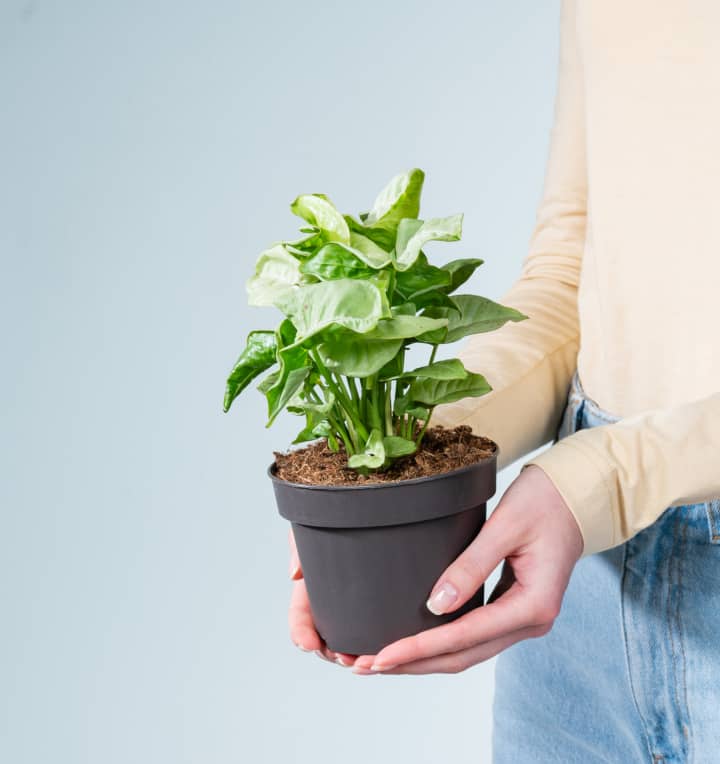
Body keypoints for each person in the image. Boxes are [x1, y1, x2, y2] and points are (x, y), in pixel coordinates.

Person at [289, 1, 720, 760]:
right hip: (586, 594)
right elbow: (568, 274)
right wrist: (405, 454)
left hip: (585, 500)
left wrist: (602, 481)